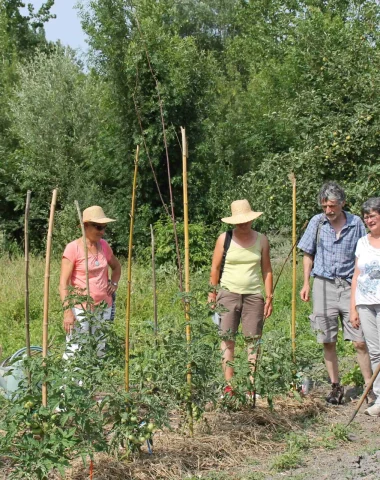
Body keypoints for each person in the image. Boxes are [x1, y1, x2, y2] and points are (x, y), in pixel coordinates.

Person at [298, 181, 372, 405]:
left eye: (332, 206)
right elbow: (308, 253)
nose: (328, 211)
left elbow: (366, 251)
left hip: (350, 286)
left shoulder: (356, 223)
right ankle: (335, 386)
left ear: (342, 204)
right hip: (323, 284)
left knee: (359, 340)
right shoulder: (317, 222)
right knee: (327, 338)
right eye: (324, 207)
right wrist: (306, 283)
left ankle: (370, 388)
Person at [208, 199, 273, 395]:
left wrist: (269, 297)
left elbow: (267, 270)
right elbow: (215, 268)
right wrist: (212, 294)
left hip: (254, 295)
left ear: (251, 219)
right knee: (227, 339)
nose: (242, 224)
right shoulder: (224, 238)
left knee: (253, 340)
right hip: (228, 294)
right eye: (238, 221)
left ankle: (251, 387)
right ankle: (230, 388)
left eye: (245, 220)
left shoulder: (262, 240)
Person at [59, 205, 121, 357]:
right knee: (76, 349)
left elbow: (117, 267)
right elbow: (63, 284)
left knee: (99, 347)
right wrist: (68, 312)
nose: (102, 231)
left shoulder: (104, 246)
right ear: (85, 226)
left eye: (104, 227)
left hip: (103, 307)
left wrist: (113, 283)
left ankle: (93, 381)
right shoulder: (73, 248)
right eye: (98, 227)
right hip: (81, 308)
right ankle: (72, 381)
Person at [350, 198, 380, 415]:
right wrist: (353, 307)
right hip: (365, 303)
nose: (369, 220)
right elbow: (356, 275)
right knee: (375, 352)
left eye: (373, 215)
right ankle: (379, 398)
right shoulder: (362, 242)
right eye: (366, 216)